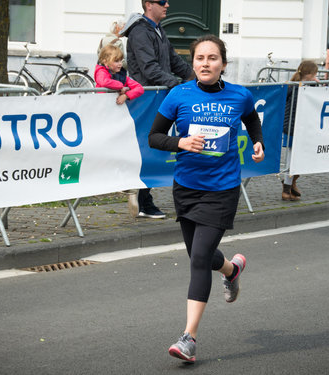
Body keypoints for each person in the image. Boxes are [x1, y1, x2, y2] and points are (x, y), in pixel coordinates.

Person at [148, 34, 265, 363]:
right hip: (186, 187)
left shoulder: (239, 95)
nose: (205, 64)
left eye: (213, 58)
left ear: (223, 65)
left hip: (222, 188)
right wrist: (180, 143)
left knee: (199, 258)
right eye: (200, 58)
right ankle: (231, 269)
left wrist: (258, 143)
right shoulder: (178, 95)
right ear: (193, 63)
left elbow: (252, 120)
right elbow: (155, 137)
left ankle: (189, 338)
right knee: (200, 255)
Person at [121, 0, 194, 219]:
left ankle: (140, 193)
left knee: (153, 146)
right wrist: (178, 85)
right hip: (146, 99)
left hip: (158, 97)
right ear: (148, 4)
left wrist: (196, 78)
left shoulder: (158, 29)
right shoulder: (140, 32)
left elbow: (174, 61)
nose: (167, 5)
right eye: (162, 1)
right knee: (148, 147)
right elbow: (149, 68)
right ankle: (142, 199)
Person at [94, 44, 144, 217]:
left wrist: (125, 94)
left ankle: (127, 187)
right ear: (105, 62)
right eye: (116, 61)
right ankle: (101, 180)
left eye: (121, 60)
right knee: (103, 150)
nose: (120, 64)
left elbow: (139, 88)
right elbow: (103, 82)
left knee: (122, 150)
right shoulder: (101, 71)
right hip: (102, 118)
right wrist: (120, 87)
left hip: (118, 120)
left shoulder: (123, 75)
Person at [281, 60, 319, 201]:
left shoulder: (294, 85)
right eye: (315, 74)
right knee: (292, 159)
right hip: (294, 127)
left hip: (296, 126)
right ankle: (287, 186)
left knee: (295, 158)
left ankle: (290, 184)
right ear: (309, 74)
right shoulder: (296, 86)